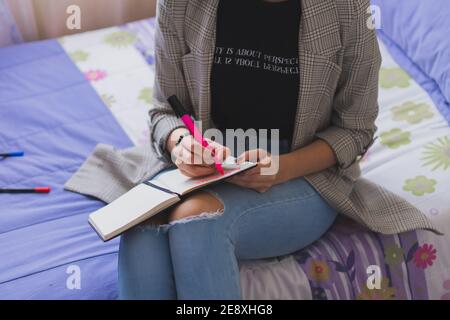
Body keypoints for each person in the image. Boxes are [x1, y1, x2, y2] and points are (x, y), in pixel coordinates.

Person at [118, 0, 437, 300]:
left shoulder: (348, 9)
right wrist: (180, 145)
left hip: (302, 172)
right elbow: (165, 112)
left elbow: (356, 130)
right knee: (143, 224)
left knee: (197, 219)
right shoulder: (180, 4)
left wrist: (281, 168)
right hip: (204, 166)